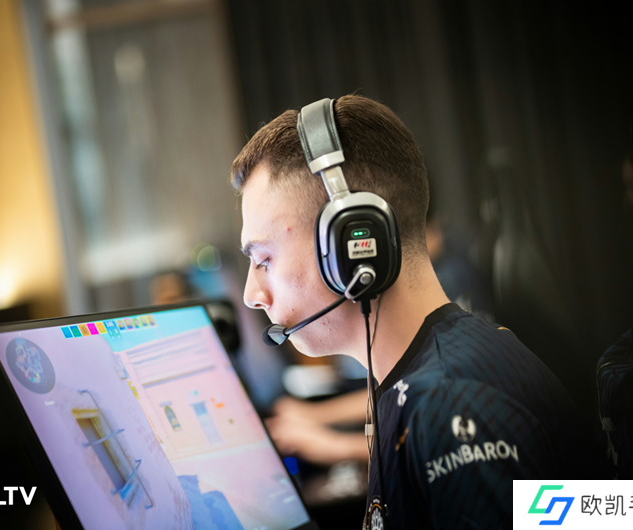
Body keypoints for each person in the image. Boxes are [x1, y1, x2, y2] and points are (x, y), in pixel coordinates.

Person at [230, 95, 607, 529]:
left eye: (264, 260)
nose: (251, 295)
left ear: (353, 245)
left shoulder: (452, 409)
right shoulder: (420, 381)